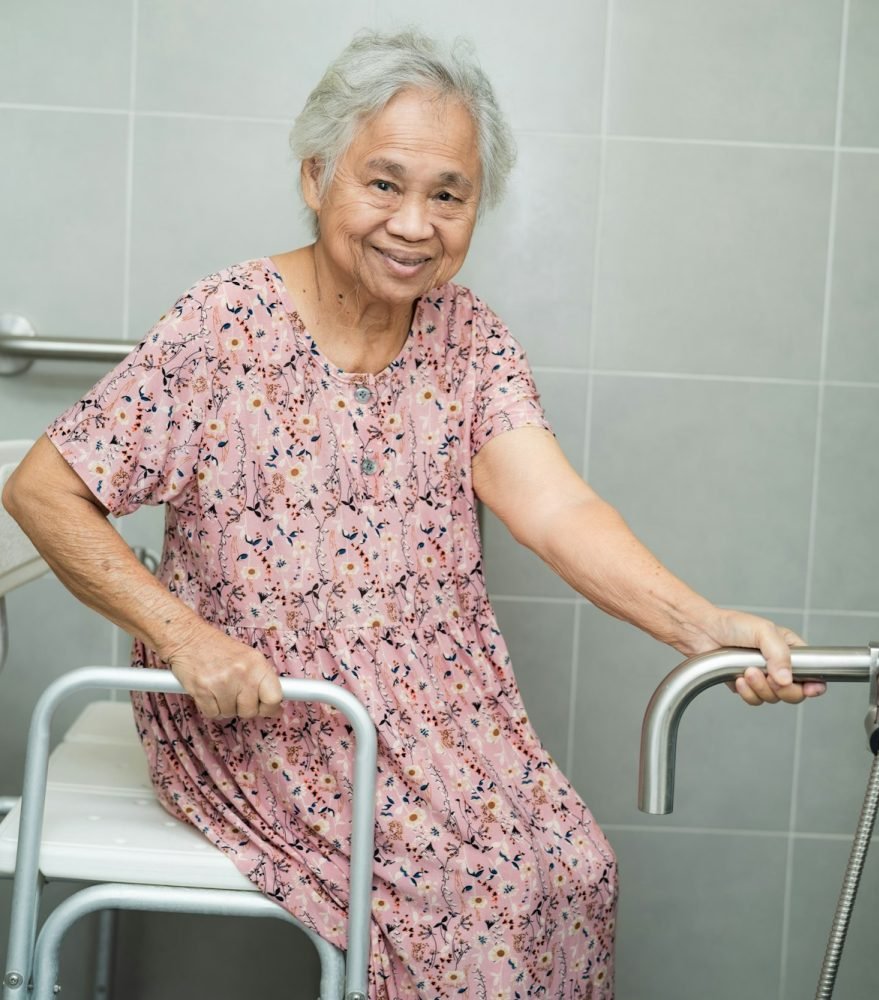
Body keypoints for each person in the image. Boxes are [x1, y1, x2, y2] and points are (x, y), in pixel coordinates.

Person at [2, 29, 825, 999]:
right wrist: (184, 639)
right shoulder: (225, 326)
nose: (413, 222)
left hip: (444, 711)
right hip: (269, 710)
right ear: (316, 178)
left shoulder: (468, 340)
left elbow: (558, 508)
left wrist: (705, 629)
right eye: (383, 183)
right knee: (470, 906)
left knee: (574, 868)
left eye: (448, 193)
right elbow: (43, 487)